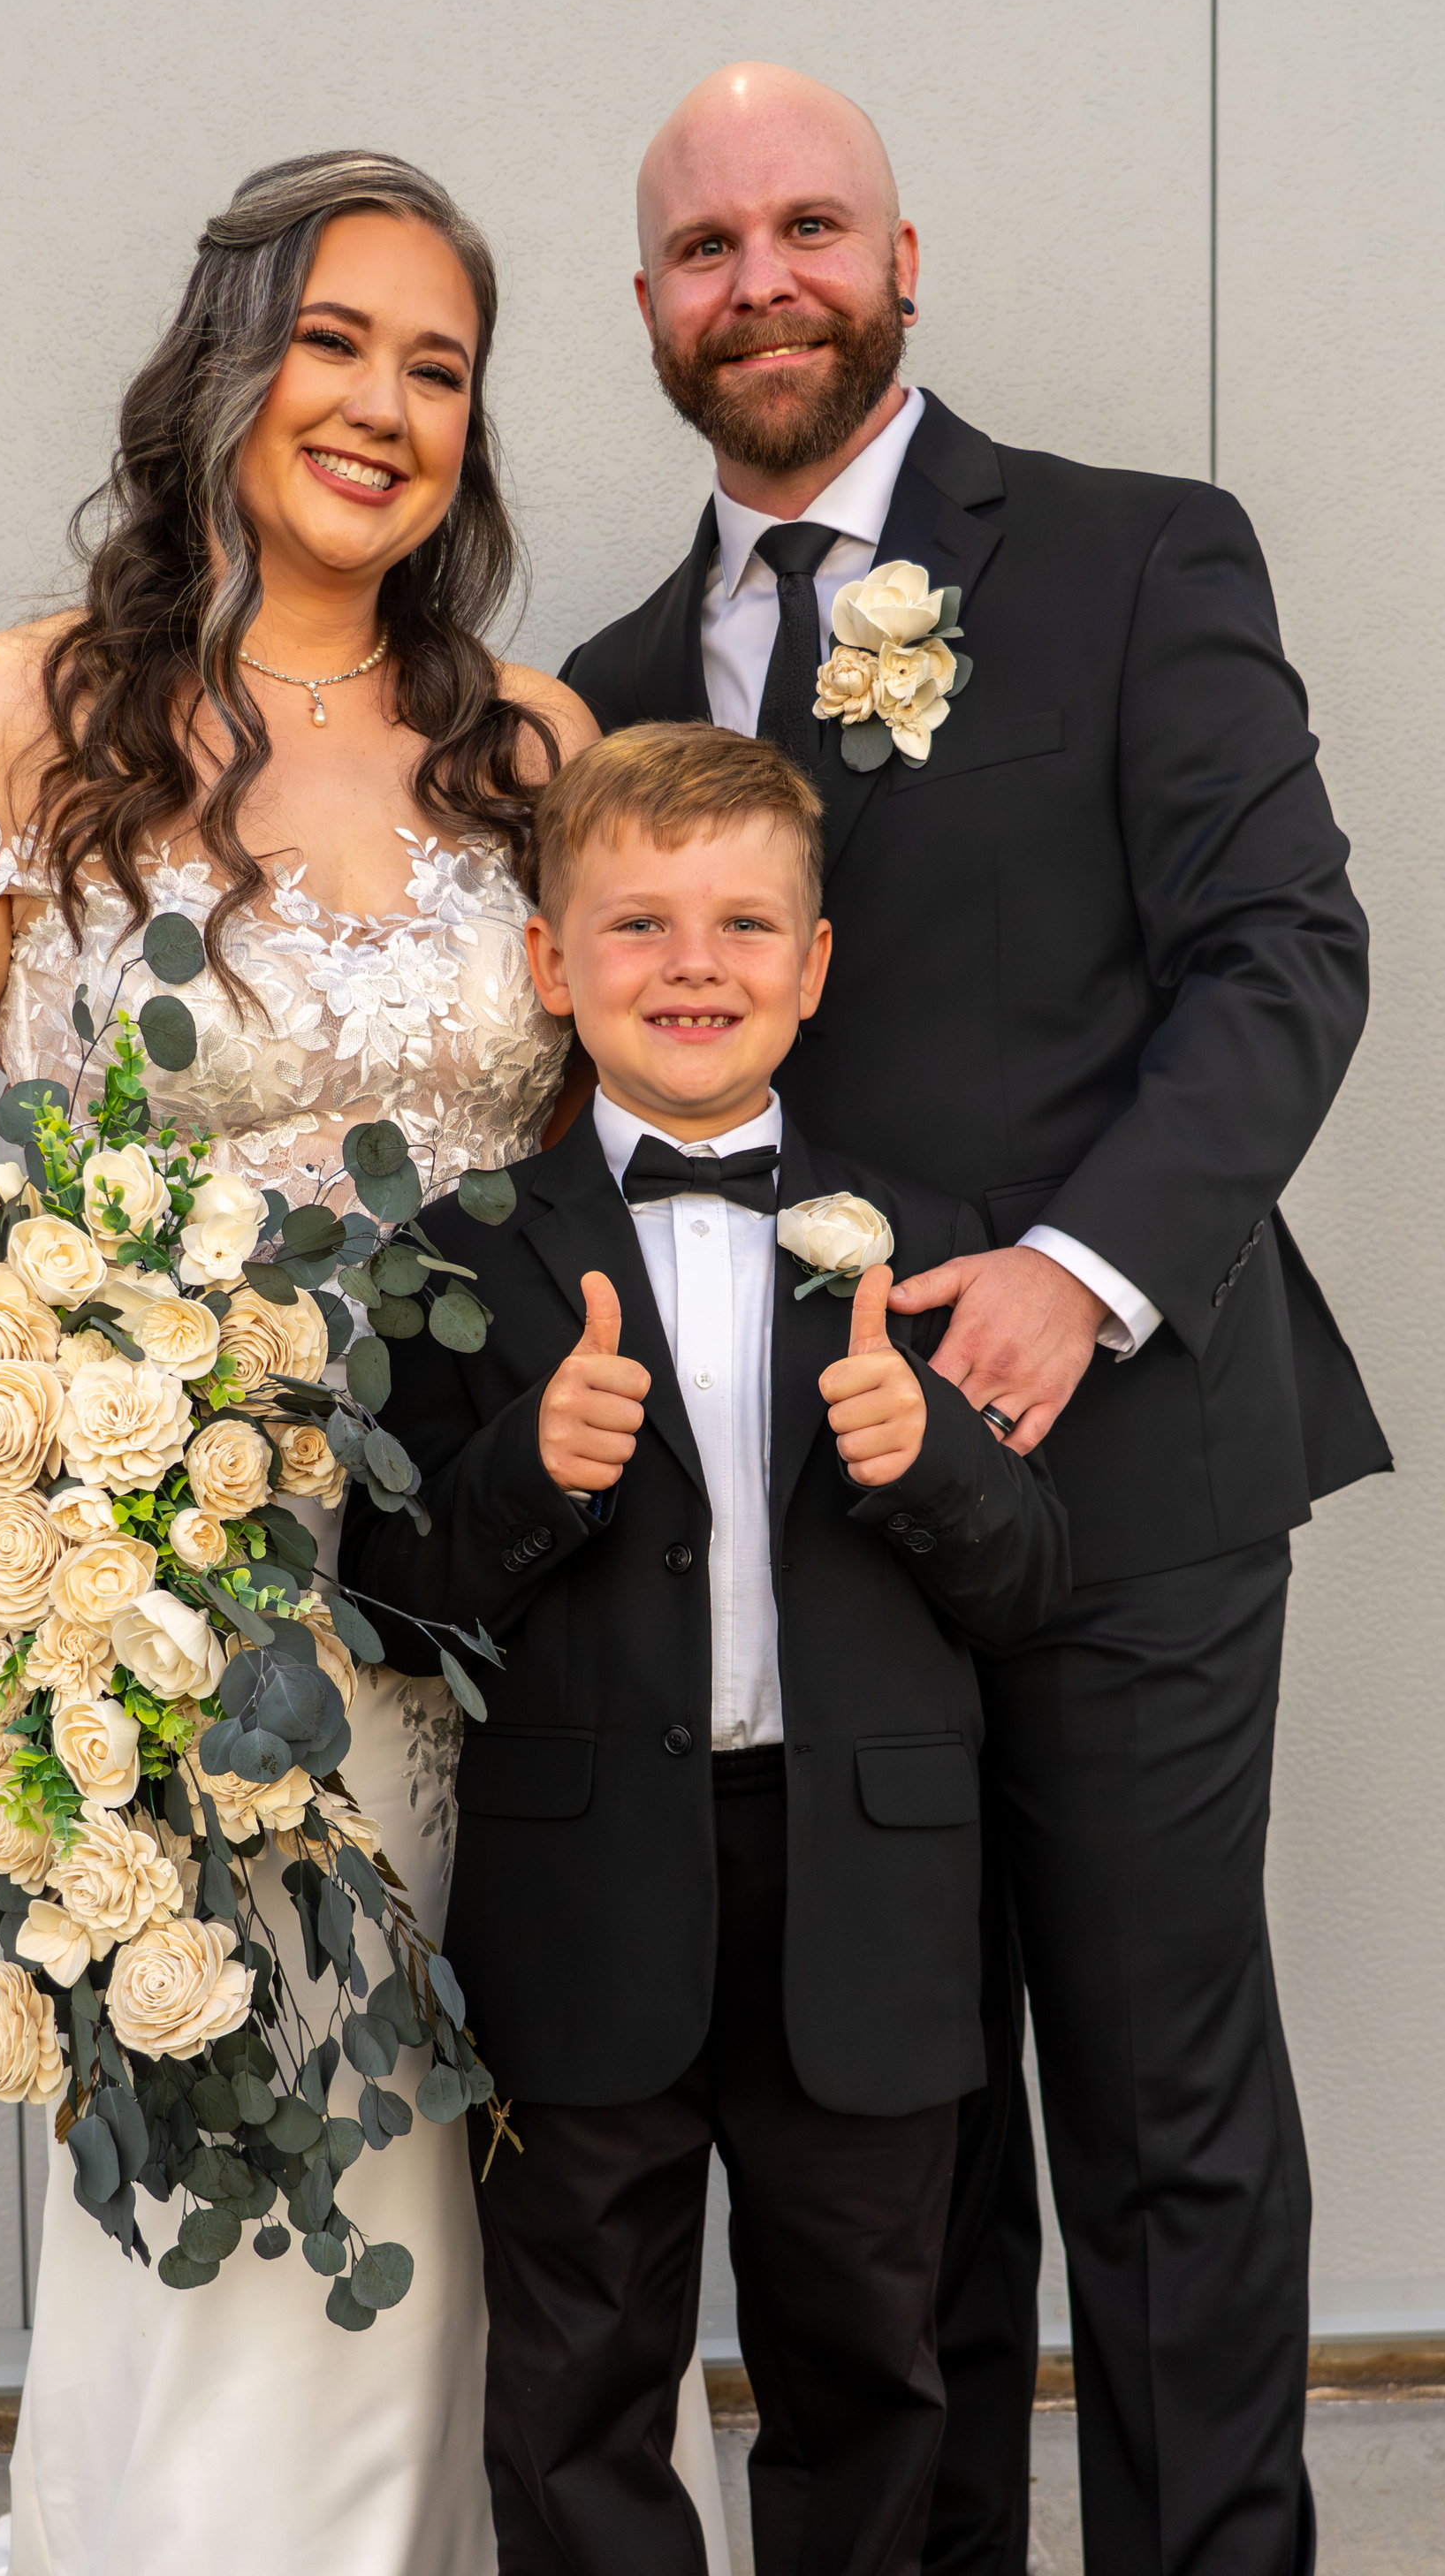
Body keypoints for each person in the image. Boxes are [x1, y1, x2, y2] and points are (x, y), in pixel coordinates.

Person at [0, 150, 729, 2576]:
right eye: (336, 341)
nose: (385, 406)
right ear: (227, 358)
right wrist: (50, 1373)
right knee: (285, 2175)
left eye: (440, 367)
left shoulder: (531, 744)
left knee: (574, 2188)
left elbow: (645, 1097)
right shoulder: (20, 717)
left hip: (532, 1590)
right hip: (209, 1621)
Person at [559, 65, 1391, 2576]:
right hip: (815, 1535)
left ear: (901, 263)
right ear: (648, 309)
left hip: (1129, 1481)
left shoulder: (1140, 556)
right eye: (709, 249)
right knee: (892, 2149)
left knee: (1158, 2114)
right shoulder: (607, 681)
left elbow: (1284, 954)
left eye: (813, 227)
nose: (765, 282)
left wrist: (1078, 1274)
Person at [342, 720, 1069, 2576]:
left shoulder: (932, 1241)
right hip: (585, 1898)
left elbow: (1032, 1587)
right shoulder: (457, 1258)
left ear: (813, 967)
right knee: (575, 2379)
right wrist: (528, 1472)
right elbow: (391, 1598)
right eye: (639, 923)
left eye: (744, 925)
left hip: (868, 1897)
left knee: (872, 2367)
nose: (693, 965)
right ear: (549, 962)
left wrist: (933, 1470)